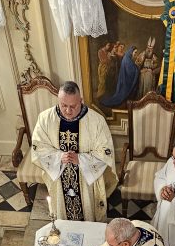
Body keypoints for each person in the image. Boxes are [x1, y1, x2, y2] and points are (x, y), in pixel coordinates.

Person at [30, 80, 117, 222]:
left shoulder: (96, 121)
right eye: (64, 105)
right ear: (58, 100)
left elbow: (105, 151)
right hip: (59, 177)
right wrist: (59, 157)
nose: (68, 111)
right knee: (63, 216)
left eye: (73, 106)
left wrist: (81, 160)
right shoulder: (45, 119)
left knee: (88, 215)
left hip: (85, 180)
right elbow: (38, 147)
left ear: (81, 101)